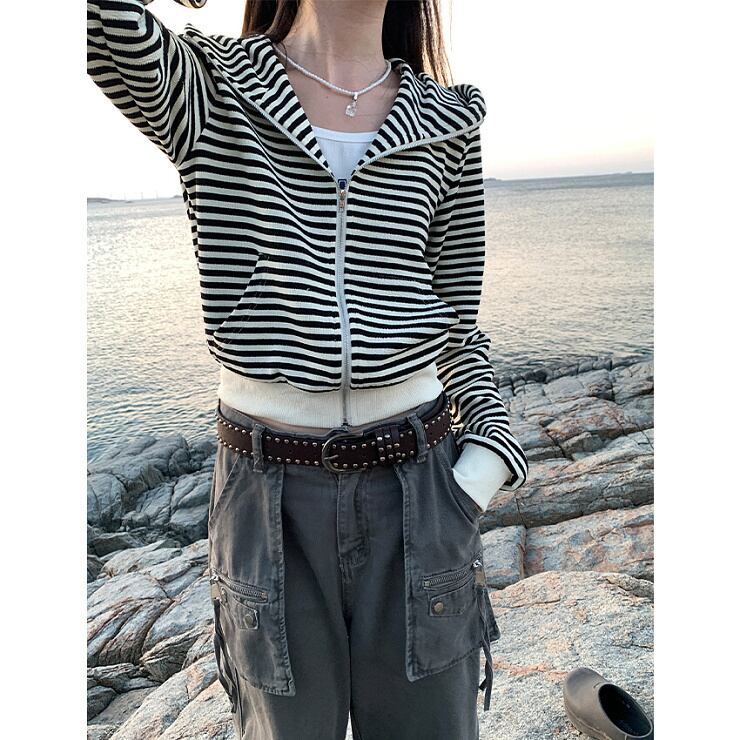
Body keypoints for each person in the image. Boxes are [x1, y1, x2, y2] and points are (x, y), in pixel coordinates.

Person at [87, 1, 529, 737]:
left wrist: (484, 464)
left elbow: (457, 327)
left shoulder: (448, 121)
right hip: (267, 500)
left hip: (423, 490)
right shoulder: (207, 87)